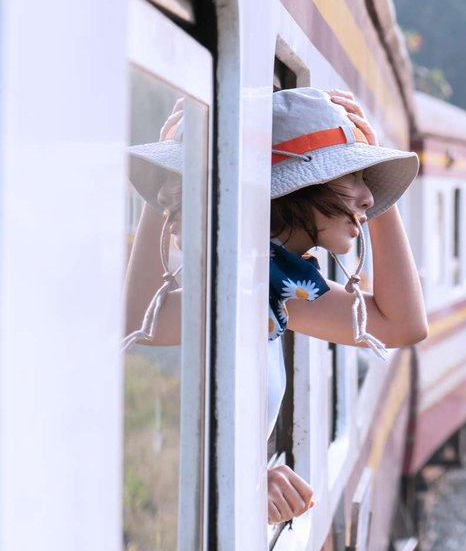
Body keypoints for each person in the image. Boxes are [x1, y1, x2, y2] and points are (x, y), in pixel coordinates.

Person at [124, 88, 427, 525]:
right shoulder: (235, 285)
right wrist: (174, 170)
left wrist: (251, 474)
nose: (368, 198)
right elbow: (140, 322)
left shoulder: (275, 287)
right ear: (299, 185)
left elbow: (401, 324)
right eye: (355, 176)